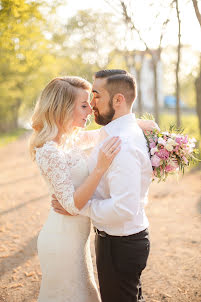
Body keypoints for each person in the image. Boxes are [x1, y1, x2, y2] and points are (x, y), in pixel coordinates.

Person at [52, 69, 155, 302]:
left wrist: (78, 206)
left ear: (118, 100)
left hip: (120, 244)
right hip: (119, 240)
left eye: (96, 95)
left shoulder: (122, 145)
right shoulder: (117, 133)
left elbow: (123, 209)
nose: (92, 103)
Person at [30, 76, 122, 302]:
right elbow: (71, 205)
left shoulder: (70, 139)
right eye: (83, 105)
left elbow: (102, 135)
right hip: (62, 242)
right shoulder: (49, 150)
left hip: (75, 240)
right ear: (61, 107)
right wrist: (99, 168)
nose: (90, 110)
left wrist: (140, 124)